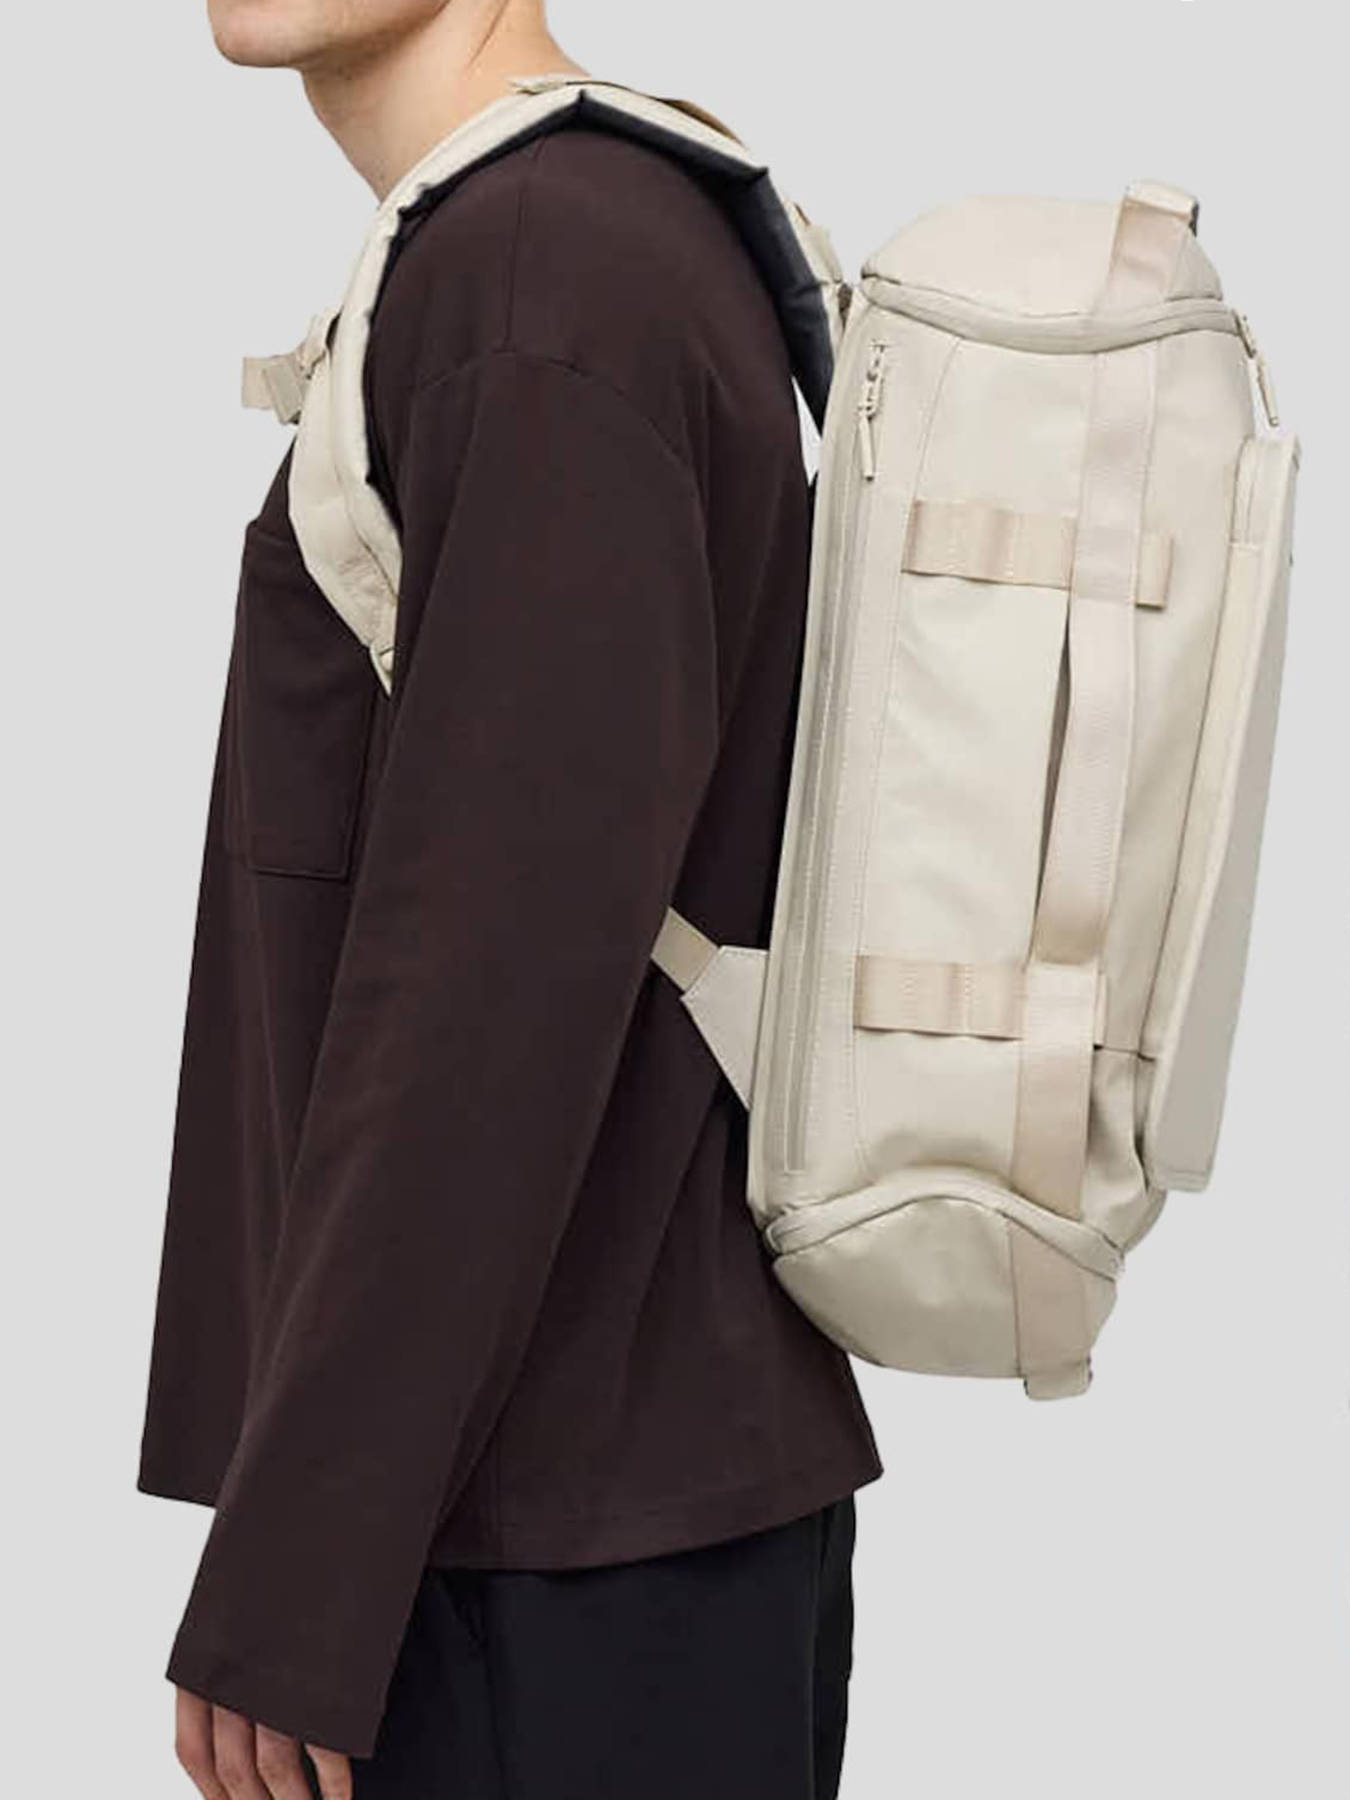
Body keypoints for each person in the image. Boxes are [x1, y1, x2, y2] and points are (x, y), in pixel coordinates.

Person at [138, 1, 882, 1795]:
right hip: (554, 1519)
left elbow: (485, 984)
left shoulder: (548, 271)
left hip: (551, 1563)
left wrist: (302, 1561)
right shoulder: (537, 244)